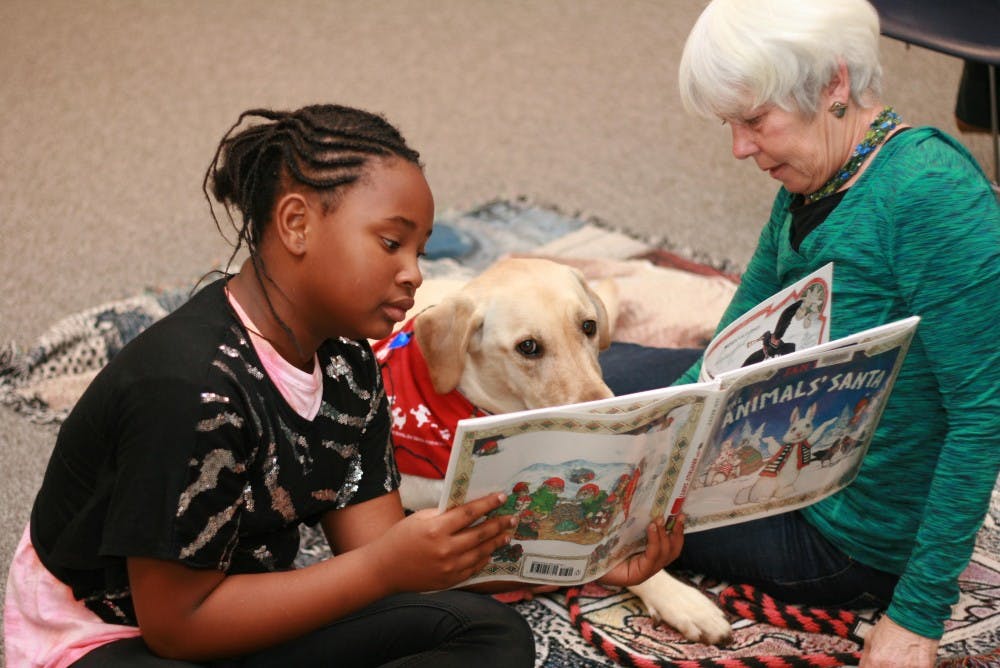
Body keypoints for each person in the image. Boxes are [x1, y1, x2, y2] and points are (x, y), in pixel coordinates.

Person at [1, 103, 685, 667]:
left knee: (488, 635)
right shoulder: (188, 389)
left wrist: (584, 564)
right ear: (296, 223)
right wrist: (384, 570)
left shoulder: (351, 363)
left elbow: (382, 547)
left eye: (420, 249)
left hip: (242, 599)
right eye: (392, 244)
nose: (415, 274)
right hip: (111, 636)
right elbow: (177, 627)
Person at [607, 1, 1000, 667]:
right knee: (605, 381)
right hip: (789, 434)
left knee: (600, 508)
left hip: (844, 536)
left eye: (754, 120)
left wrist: (917, 616)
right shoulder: (822, 171)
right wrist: (657, 432)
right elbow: (734, 338)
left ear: (833, 86)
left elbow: (984, 414)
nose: (738, 147)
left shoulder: (934, 198)